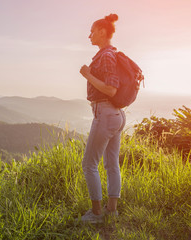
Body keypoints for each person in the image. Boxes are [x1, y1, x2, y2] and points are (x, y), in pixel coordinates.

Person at [79, 13, 126, 223]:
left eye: (92, 31)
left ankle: (97, 214)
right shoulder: (108, 54)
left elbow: (111, 89)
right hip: (115, 115)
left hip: (105, 113)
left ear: (102, 32)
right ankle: (111, 210)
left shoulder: (106, 55)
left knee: (89, 164)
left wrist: (88, 75)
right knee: (111, 163)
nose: (89, 35)